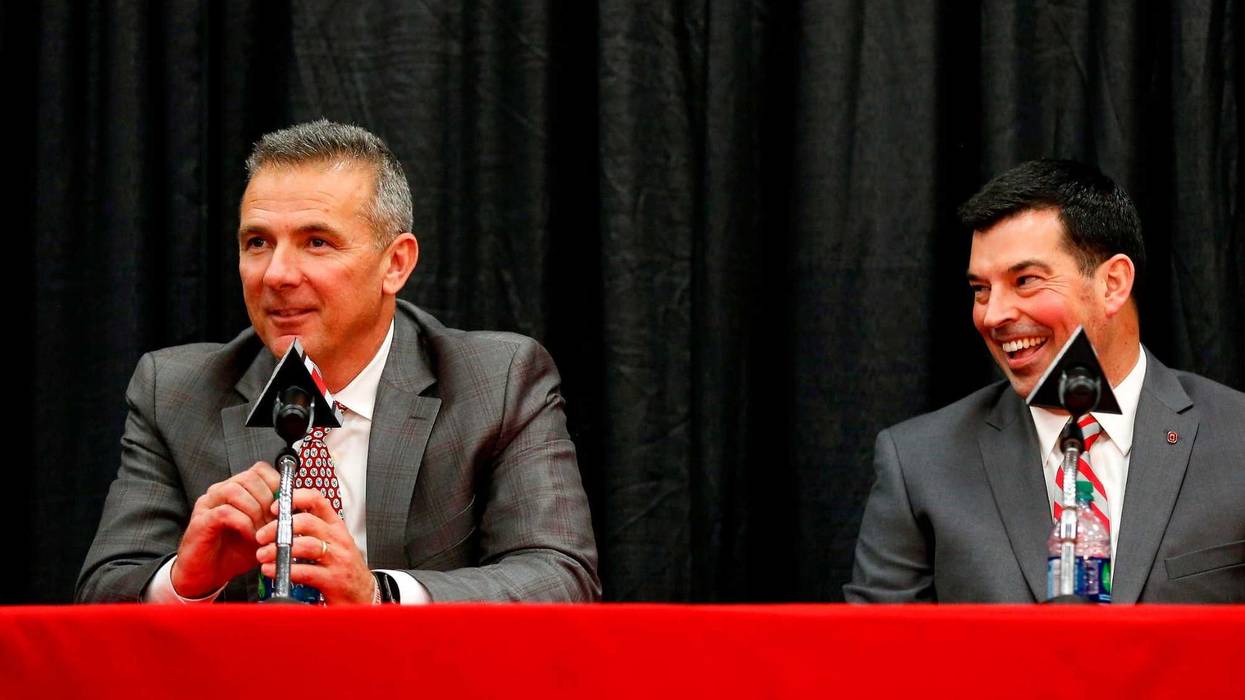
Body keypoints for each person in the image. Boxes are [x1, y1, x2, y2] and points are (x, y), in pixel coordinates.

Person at [77, 120, 600, 604]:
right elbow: (103, 589)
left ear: (395, 263)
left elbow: (560, 576)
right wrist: (184, 581)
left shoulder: (497, 380)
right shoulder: (174, 392)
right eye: (257, 242)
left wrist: (378, 596)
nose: (277, 274)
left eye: (317, 242)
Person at [845, 159, 1245, 603]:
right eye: (981, 289)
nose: (993, 315)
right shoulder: (919, 463)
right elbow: (873, 658)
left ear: (1112, 284)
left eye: (1026, 281)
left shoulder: (1237, 438)